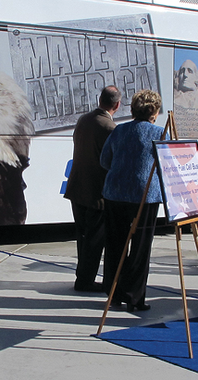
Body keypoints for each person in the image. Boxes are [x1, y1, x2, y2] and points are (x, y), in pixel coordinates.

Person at [100, 89, 164, 312]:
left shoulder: (119, 131)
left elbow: (104, 160)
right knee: (140, 248)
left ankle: (114, 292)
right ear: (154, 111)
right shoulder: (160, 133)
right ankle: (134, 296)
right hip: (144, 196)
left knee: (115, 244)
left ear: (132, 109)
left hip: (115, 193)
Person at [63, 86, 121, 292]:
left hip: (78, 187)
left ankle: (83, 276)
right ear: (117, 105)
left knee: (84, 237)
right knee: (95, 240)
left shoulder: (83, 120)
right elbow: (113, 161)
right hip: (97, 192)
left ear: (100, 99)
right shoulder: (110, 128)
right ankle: (85, 280)